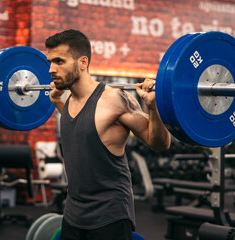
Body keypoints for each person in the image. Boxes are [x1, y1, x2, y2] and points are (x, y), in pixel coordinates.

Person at [45, 29, 171, 240]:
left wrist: (152, 107)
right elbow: (82, 129)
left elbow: (160, 143)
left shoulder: (114, 100)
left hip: (109, 215)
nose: (51, 69)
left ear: (83, 63)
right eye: (50, 62)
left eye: (59, 61)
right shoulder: (66, 101)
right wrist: (57, 100)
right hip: (73, 214)